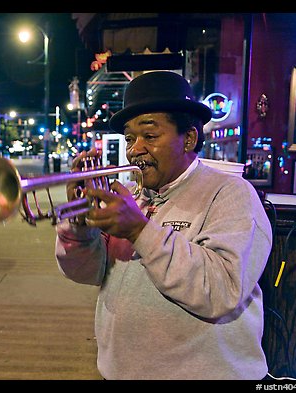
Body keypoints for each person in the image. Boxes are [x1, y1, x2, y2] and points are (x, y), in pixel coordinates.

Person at [54, 71, 273, 380]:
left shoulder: (231, 194)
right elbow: (88, 273)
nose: (135, 149)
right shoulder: (130, 196)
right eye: (130, 138)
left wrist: (140, 232)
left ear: (189, 139)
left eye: (150, 136)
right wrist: (79, 227)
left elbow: (221, 291)